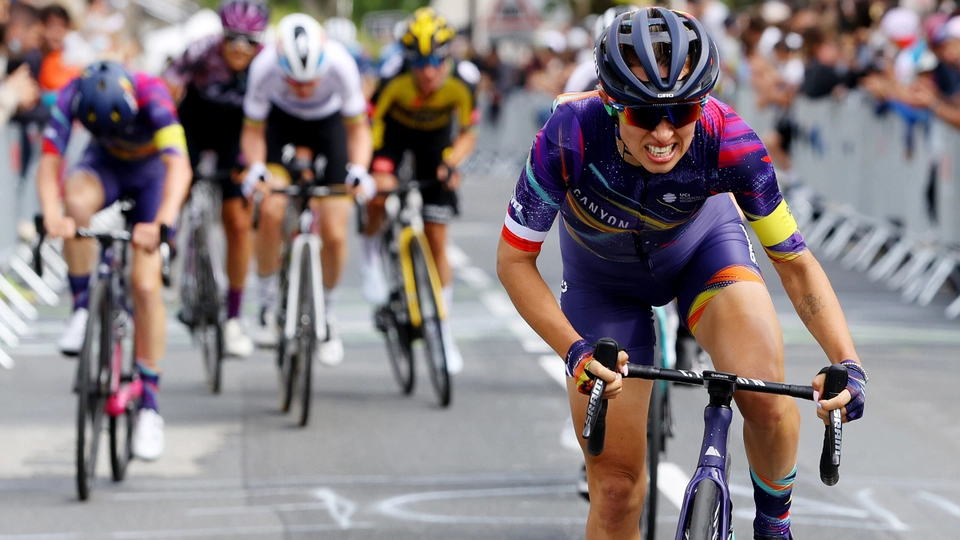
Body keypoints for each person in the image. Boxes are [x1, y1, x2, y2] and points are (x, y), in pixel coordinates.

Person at [495, 8, 868, 540]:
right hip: (602, 282)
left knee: (763, 392)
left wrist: (847, 362)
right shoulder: (569, 134)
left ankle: (774, 524)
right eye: (646, 115)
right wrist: (572, 349)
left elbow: (795, 262)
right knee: (617, 491)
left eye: (684, 110)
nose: (666, 132)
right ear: (612, 102)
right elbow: (513, 261)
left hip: (702, 252)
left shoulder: (730, 138)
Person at [37, 61, 192, 460]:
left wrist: (161, 224)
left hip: (151, 176)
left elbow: (180, 165)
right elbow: (50, 160)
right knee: (74, 203)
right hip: (102, 166)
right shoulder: (72, 93)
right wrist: (53, 215)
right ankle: (83, 307)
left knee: (144, 284)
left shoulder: (154, 95)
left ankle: (151, 406)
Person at [240, 13, 373, 366]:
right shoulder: (263, 66)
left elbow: (359, 130)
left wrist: (359, 170)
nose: (303, 88)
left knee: (335, 231)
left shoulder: (342, 65)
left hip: (330, 128)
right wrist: (255, 169)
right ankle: (267, 306)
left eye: (310, 80)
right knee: (269, 208)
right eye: (294, 82)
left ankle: (327, 315)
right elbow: (253, 131)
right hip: (281, 127)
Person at [363, 7, 480, 374]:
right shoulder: (391, 76)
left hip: (435, 143)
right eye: (419, 63)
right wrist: (371, 170)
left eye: (436, 62)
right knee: (380, 191)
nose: (428, 72)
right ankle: (371, 258)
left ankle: (441, 330)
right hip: (394, 137)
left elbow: (469, 133)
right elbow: (369, 125)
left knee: (437, 237)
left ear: (448, 58)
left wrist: (452, 164)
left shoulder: (464, 80)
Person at [162, 0, 270, 358]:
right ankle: (170, 243)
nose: (241, 49)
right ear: (222, 36)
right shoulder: (201, 51)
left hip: (235, 135)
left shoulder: (268, 62)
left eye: (249, 42)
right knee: (177, 182)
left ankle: (234, 316)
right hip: (194, 122)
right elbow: (168, 88)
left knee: (238, 221)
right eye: (233, 39)